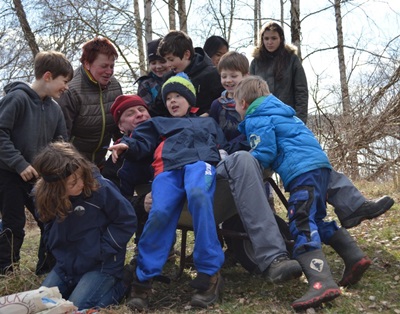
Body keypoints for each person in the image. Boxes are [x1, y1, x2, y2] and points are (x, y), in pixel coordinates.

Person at [234, 76, 373, 311]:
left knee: (301, 224)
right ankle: (354, 257)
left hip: (301, 175)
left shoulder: (256, 117)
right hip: (320, 169)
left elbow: (264, 151)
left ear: (245, 103)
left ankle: (321, 282)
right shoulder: (284, 112)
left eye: (235, 103)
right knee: (315, 220)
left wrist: (250, 166)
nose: (235, 108)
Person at [109, 73, 238, 310]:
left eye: (178, 96)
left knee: (199, 195)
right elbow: (141, 141)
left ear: (190, 100)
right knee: (159, 211)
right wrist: (127, 145)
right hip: (167, 170)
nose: (173, 101)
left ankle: (209, 273)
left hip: (200, 165)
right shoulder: (158, 123)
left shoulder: (207, 122)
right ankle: (144, 278)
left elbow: (225, 146)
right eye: (168, 98)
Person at [249, 22, 394, 228]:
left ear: (281, 39)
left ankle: (353, 206)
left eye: (274, 38)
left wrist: (299, 120)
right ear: (261, 40)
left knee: (315, 163)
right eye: (266, 38)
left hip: (289, 122)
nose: (270, 42)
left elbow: (301, 91)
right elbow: (251, 93)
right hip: (265, 126)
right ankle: (269, 222)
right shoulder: (256, 63)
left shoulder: (291, 60)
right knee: (280, 171)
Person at [33, 141, 137, 310]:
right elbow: (47, 225)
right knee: (42, 305)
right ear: (55, 188)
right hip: (66, 265)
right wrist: (57, 248)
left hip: (101, 264)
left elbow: (126, 219)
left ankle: (123, 284)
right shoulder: (45, 197)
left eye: (80, 176)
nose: (80, 183)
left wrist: (101, 250)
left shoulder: (101, 188)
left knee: (75, 308)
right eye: (72, 183)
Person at [0, 51, 73, 275]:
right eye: (64, 81)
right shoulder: (17, 99)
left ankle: (46, 271)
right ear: (48, 76)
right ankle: (6, 272)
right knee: (14, 225)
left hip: (39, 179)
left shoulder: (55, 109)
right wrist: (19, 164)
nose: (66, 87)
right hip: (9, 174)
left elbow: (61, 145)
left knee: (50, 221)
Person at [57, 36, 122, 169]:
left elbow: (119, 126)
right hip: (74, 165)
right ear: (87, 63)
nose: (109, 72)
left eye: (112, 66)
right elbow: (61, 137)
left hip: (101, 163)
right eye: (103, 66)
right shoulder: (71, 90)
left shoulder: (114, 85)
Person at [157, 30, 224, 116]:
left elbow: (222, 102)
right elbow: (158, 109)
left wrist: (208, 113)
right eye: (165, 60)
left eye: (171, 59)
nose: (168, 65)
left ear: (186, 54)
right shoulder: (168, 78)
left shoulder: (212, 74)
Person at [135, 38, 170, 117]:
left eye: (162, 61)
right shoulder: (145, 84)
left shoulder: (181, 77)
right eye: (153, 63)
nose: (158, 67)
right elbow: (147, 111)